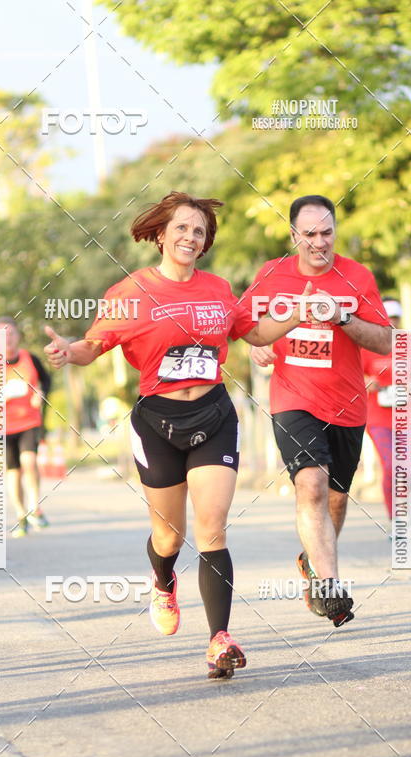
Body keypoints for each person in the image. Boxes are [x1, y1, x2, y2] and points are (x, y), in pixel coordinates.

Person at [44, 191, 311, 678]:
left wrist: (295, 313)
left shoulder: (217, 288)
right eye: (182, 228)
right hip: (157, 423)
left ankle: (219, 640)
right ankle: (163, 581)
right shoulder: (132, 292)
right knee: (169, 537)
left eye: (199, 230)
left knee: (212, 528)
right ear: (162, 235)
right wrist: (68, 351)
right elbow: (93, 346)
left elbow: (251, 333)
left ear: (206, 241)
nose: (191, 236)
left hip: (213, 415)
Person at [245, 194, 392, 626]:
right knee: (311, 484)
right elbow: (248, 328)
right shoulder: (272, 275)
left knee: (335, 501)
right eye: (309, 234)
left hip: (347, 406)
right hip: (293, 400)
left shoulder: (357, 277)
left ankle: (313, 566)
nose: (318, 242)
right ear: (294, 236)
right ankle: (331, 588)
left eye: (326, 232)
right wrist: (259, 345)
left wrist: (342, 317)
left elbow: (387, 341)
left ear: (336, 233)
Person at [0, 316, 51, 537]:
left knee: (30, 461)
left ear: (18, 336)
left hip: (30, 421)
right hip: (5, 426)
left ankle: (35, 507)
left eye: (11, 334)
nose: (7, 339)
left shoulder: (31, 359)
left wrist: (41, 393)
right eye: (2, 335)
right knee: (14, 471)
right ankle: (20, 514)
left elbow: (46, 380)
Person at [362, 298, 403, 525]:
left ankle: (403, 509)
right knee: (390, 464)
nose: (392, 323)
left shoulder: (410, 343)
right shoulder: (368, 345)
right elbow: (355, 375)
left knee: (410, 470)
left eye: (395, 319)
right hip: (377, 417)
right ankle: (396, 518)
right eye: (388, 319)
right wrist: (368, 380)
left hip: (406, 416)